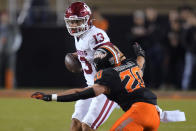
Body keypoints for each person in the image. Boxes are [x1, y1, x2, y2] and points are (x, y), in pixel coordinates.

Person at [31, 43, 185, 130]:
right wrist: (140, 51)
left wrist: (50, 97)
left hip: (139, 113)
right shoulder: (132, 65)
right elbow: (141, 61)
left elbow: (81, 93)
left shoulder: (108, 76)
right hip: (154, 116)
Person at [61, 2, 125, 131]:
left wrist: (102, 56)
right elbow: (87, 52)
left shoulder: (96, 35)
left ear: (87, 20)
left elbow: (113, 54)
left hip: (107, 89)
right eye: (71, 22)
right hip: (91, 87)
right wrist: (80, 56)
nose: (73, 25)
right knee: (75, 124)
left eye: (78, 22)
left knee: (87, 126)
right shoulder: (78, 36)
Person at [0, 11, 22, 89]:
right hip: (0, 52)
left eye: (5, 16)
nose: (4, 18)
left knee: (10, 69)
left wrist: (13, 48)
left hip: (10, 52)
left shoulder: (12, 27)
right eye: (2, 16)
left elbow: (18, 38)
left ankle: (10, 87)